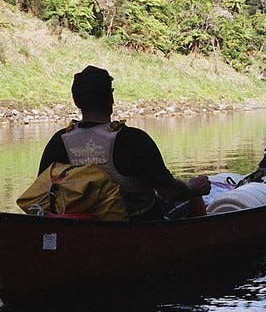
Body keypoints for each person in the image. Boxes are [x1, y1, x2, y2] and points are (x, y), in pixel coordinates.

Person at [38, 65, 210, 221]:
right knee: (193, 196)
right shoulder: (134, 139)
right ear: (110, 99)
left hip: (82, 228)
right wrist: (191, 187)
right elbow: (171, 191)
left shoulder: (58, 141)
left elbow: (43, 192)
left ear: (76, 101)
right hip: (138, 226)